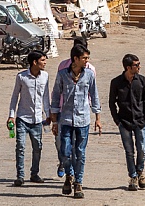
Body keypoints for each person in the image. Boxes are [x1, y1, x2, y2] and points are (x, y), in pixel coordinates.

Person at [51, 45, 102, 199]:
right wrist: (54, 120)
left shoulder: (89, 75)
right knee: (65, 152)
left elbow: (94, 95)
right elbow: (55, 96)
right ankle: (69, 175)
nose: (87, 61)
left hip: (83, 119)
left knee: (80, 153)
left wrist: (98, 117)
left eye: (87, 58)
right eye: (84, 58)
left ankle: (78, 183)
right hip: (65, 119)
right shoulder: (62, 75)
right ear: (76, 59)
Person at [7, 50, 51, 186]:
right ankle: (20, 176)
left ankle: (34, 173)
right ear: (34, 62)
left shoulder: (45, 76)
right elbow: (15, 97)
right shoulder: (22, 77)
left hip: (37, 119)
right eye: (43, 60)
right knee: (20, 146)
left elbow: (45, 97)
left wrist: (48, 115)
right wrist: (11, 116)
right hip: (22, 118)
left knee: (37, 147)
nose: (45, 63)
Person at [109, 54, 145, 191]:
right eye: (136, 65)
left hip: (140, 121)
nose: (139, 67)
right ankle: (132, 176)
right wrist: (117, 120)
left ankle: (140, 172)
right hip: (124, 121)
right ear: (128, 67)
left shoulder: (142, 80)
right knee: (129, 151)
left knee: (142, 149)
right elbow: (111, 103)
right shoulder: (116, 82)